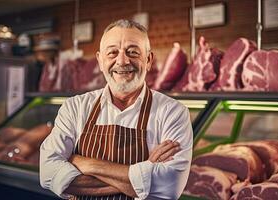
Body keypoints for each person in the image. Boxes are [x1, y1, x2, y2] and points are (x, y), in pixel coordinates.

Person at [40, 19, 193, 199]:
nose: (122, 60)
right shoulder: (75, 107)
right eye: (112, 52)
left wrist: (87, 164)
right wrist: (143, 175)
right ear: (100, 60)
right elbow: (48, 172)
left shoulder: (172, 112)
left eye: (133, 52)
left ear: (149, 59)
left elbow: (169, 187)